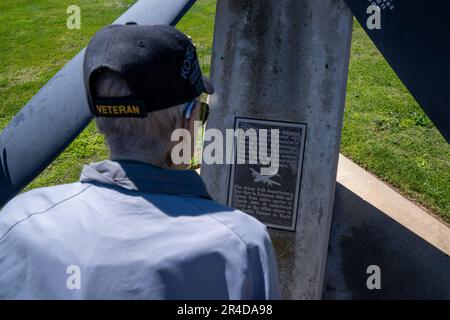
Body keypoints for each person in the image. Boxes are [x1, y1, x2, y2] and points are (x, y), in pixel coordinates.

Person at [0, 24, 280, 299]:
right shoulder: (241, 245)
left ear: (100, 120)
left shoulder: (17, 222)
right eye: (201, 113)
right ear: (187, 121)